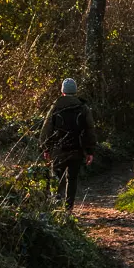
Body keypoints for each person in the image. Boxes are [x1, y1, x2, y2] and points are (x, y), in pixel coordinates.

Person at [39, 78, 96, 210]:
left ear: (62, 91)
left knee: (56, 179)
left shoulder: (55, 107)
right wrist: (90, 151)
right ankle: (68, 208)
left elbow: (46, 129)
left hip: (58, 150)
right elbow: (90, 130)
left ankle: (57, 207)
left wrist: (45, 148)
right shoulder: (83, 108)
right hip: (77, 150)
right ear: (75, 91)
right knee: (72, 179)